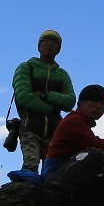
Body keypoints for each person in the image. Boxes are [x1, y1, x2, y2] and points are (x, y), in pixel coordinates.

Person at [42, 84, 104, 178]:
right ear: (81, 103)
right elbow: (98, 146)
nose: (99, 106)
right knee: (100, 155)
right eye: (94, 101)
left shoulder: (81, 123)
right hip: (56, 173)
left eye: (103, 103)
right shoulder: (74, 121)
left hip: (66, 169)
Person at [9, 30, 74, 172]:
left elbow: (70, 102)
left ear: (59, 48)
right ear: (39, 46)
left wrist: (44, 95)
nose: (50, 44)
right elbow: (24, 97)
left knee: (53, 173)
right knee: (30, 167)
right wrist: (52, 108)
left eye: (55, 42)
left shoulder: (62, 74)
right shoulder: (26, 67)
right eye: (46, 40)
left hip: (55, 133)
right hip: (30, 128)